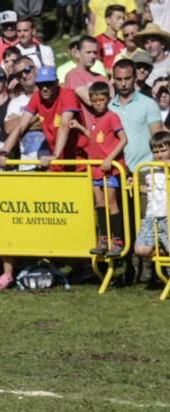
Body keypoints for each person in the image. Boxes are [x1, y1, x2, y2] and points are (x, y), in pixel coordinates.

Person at [75, 82, 128, 256]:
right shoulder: (94, 120)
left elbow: (123, 139)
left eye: (101, 100)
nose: (98, 103)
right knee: (99, 203)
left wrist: (109, 159)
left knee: (112, 202)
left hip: (108, 169)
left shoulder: (112, 116)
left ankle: (118, 240)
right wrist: (81, 128)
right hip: (95, 168)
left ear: (108, 99)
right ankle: (103, 238)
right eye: (94, 100)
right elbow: (97, 139)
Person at [0, 65, 84, 171]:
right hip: (55, 163)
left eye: (48, 84)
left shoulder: (67, 94)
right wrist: (4, 152)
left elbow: (64, 125)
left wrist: (55, 155)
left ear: (57, 83)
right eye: (40, 85)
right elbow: (20, 126)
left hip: (78, 161)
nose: (44, 88)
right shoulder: (37, 96)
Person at [110, 58, 163, 174]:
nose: (123, 83)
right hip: (117, 171)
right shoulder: (109, 108)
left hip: (145, 170)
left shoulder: (149, 104)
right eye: (119, 79)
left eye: (127, 78)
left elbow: (158, 141)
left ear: (134, 77)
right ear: (113, 79)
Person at [134, 130, 170, 281]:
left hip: (168, 217)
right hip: (152, 217)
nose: (159, 155)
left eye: (163, 150)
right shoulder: (148, 169)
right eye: (156, 152)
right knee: (140, 250)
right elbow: (147, 188)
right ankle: (162, 252)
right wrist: (133, 183)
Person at [64, 36, 109, 104]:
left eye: (95, 52)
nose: (92, 56)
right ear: (77, 53)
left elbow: (111, 97)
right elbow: (91, 101)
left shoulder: (100, 77)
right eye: (88, 52)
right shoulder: (73, 76)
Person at [97, 4, 127, 69]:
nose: (122, 22)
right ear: (108, 20)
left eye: (123, 18)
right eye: (118, 18)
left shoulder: (123, 43)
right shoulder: (98, 40)